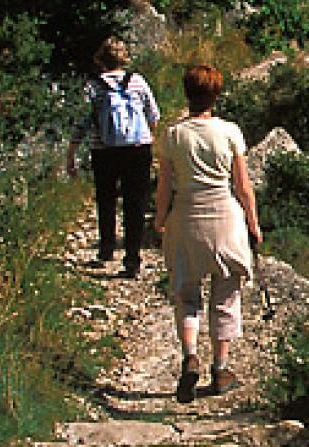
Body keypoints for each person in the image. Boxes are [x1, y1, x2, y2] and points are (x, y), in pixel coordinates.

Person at [152, 63, 261, 404]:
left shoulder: (173, 135)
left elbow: (164, 185)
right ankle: (221, 367)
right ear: (216, 94)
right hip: (224, 217)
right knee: (225, 294)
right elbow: (242, 186)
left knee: (186, 292)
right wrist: (253, 222)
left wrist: (159, 218)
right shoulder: (229, 132)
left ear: (187, 93)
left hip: (186, 216)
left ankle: (189, 357)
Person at [72, 37, 160, 276]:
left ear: (101, 59)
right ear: (124, 58)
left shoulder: (93, 86)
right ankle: (132, 258)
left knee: (106, 198)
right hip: (138, 149)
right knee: (135, 203)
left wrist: (72, 151)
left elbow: (82, 122)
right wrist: (146, 138)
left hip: (104, 149)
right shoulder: (138, 82)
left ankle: (106, 248)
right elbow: (154, 115)